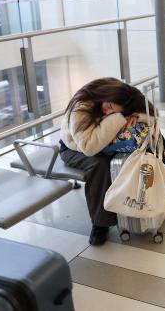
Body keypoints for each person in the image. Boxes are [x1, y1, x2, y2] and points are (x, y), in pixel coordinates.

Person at [59, 77, 153, 245]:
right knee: (100, 164)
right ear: (105, 96)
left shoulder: (125, 95)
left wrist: (136, 116)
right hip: (74, 148)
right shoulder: (82, 106)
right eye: (108, 107)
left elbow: (153, 116)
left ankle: (151, 199)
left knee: (142, 150)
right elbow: (89, 147)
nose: (107, 111)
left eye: (114, 110)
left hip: (106, 143)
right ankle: (100, 223)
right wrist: (117, 118)